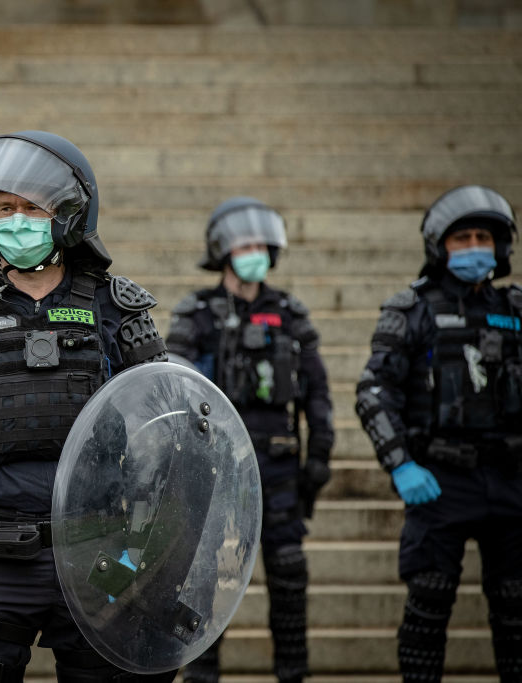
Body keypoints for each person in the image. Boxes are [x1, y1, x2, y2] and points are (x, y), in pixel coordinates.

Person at [0, 130, 177, 683]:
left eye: (32, 207)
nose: (17, 219)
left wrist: (141, 546)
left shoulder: (118, 310)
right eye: (4, 208)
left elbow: (168, 440)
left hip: (100, 557)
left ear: (66, 215)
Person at [355, 185, 522, 682]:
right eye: (462, 238)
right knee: (428, 611)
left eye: (483, 237)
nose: (474, 246)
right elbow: (373, 391)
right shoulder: (412, 309)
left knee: (516, 616)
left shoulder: (516, 309)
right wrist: (401, 463)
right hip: (441, 483)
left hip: (511, 483)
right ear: (438, 246)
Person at [166, 197, 334, 683]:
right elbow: (175, 380)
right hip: (213, 467)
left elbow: (317, 390)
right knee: (199, 583)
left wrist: (320, 451)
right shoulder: (195, 312)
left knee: (288, 572)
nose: (253, 251)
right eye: (244, 243)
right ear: (222, 249)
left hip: (278, 465)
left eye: (260, 243)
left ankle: (293, 674)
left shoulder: (289, 313)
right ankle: (201, 677)